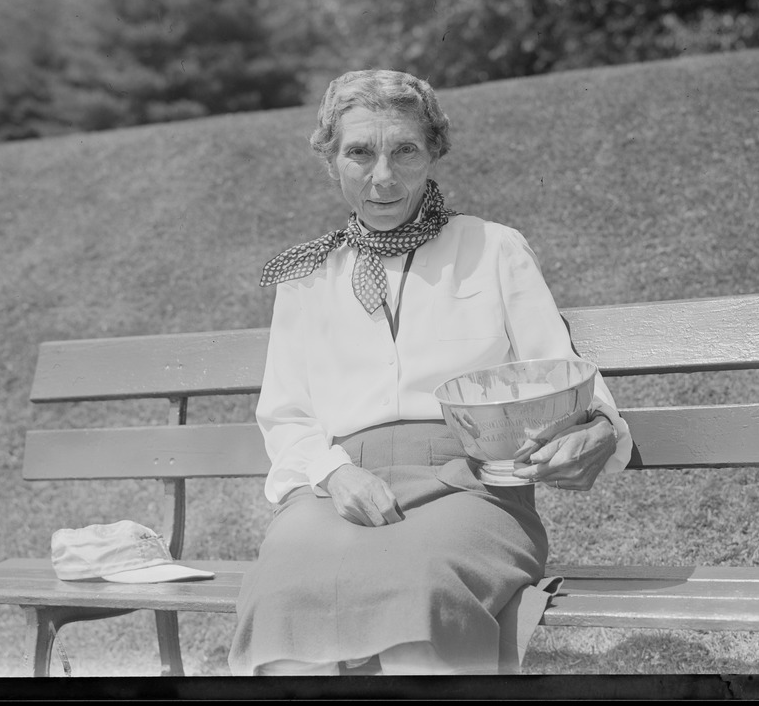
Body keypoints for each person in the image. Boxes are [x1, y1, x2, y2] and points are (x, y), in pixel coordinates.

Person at [227, 69, 633, 676]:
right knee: (284, 594)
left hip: (470, 485)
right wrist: (335, 475)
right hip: (336, 494)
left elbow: (566, 376)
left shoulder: (494, 249)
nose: (383, 176)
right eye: (360, 153)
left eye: (404, 151)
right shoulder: (308, 275)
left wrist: (600, 427)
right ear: (330, 160)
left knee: (419, 590)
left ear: (433, 153)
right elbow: (286, 416)